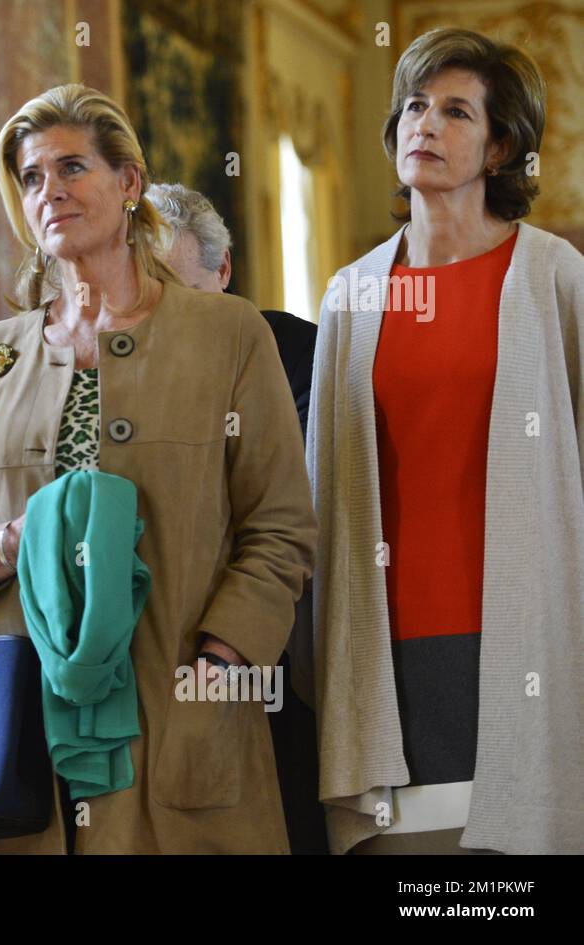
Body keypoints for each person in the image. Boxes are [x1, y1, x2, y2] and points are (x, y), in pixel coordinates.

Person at [0, 84, 315, 854]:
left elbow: (280, 524)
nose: (48, 191)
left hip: (182, 729)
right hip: (14, 747)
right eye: (29, 177)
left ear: (128, 184)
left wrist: (223, 659)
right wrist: (6, 544)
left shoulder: (228, 334)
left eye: (71, 167)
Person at [300, 27, 584, 854]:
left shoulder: (553, 276)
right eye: (415, 106)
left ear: (500, 147)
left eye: (456, 111)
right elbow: (323, 485)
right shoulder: (351, 294)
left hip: (527, 634)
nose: (424, 123)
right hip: (382, 645)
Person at [147, 181, 324, 854]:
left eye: (171, 284)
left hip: (269, 659)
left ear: (221, 271)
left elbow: (284, 505)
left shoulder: (297, 351)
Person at [148, 182, 316, 435]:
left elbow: (309, 470)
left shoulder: (297, 352)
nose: (168, 320)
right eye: (150, 301)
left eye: (187, 300)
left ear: (223, 269)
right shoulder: (121, 366)